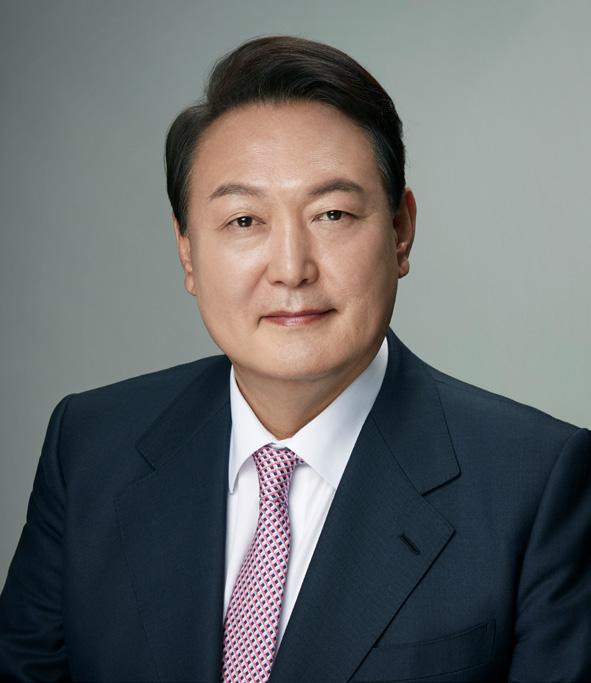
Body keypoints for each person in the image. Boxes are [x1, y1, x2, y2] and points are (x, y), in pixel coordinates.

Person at [0, 34, 589, 683]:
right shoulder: (90, 447)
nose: (290, 268)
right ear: (188, 252)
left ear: (400, 231)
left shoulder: (537, 484)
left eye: (331, 214)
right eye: (244, 221)